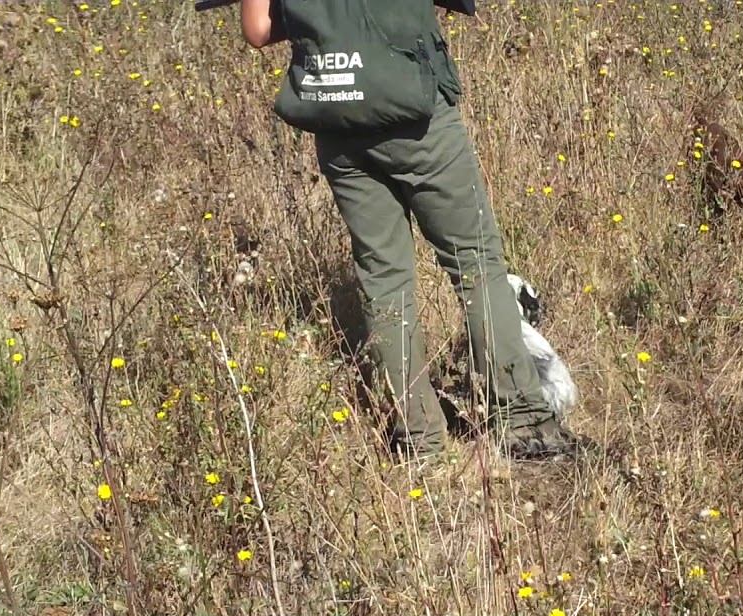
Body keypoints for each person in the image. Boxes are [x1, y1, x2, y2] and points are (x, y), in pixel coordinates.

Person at [240, 0, 584, 462]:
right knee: (476, 265)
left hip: (337, 117)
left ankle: (419, 440)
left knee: (384, 280)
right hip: (416, 117)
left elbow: (258, 30)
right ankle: (523, 424)